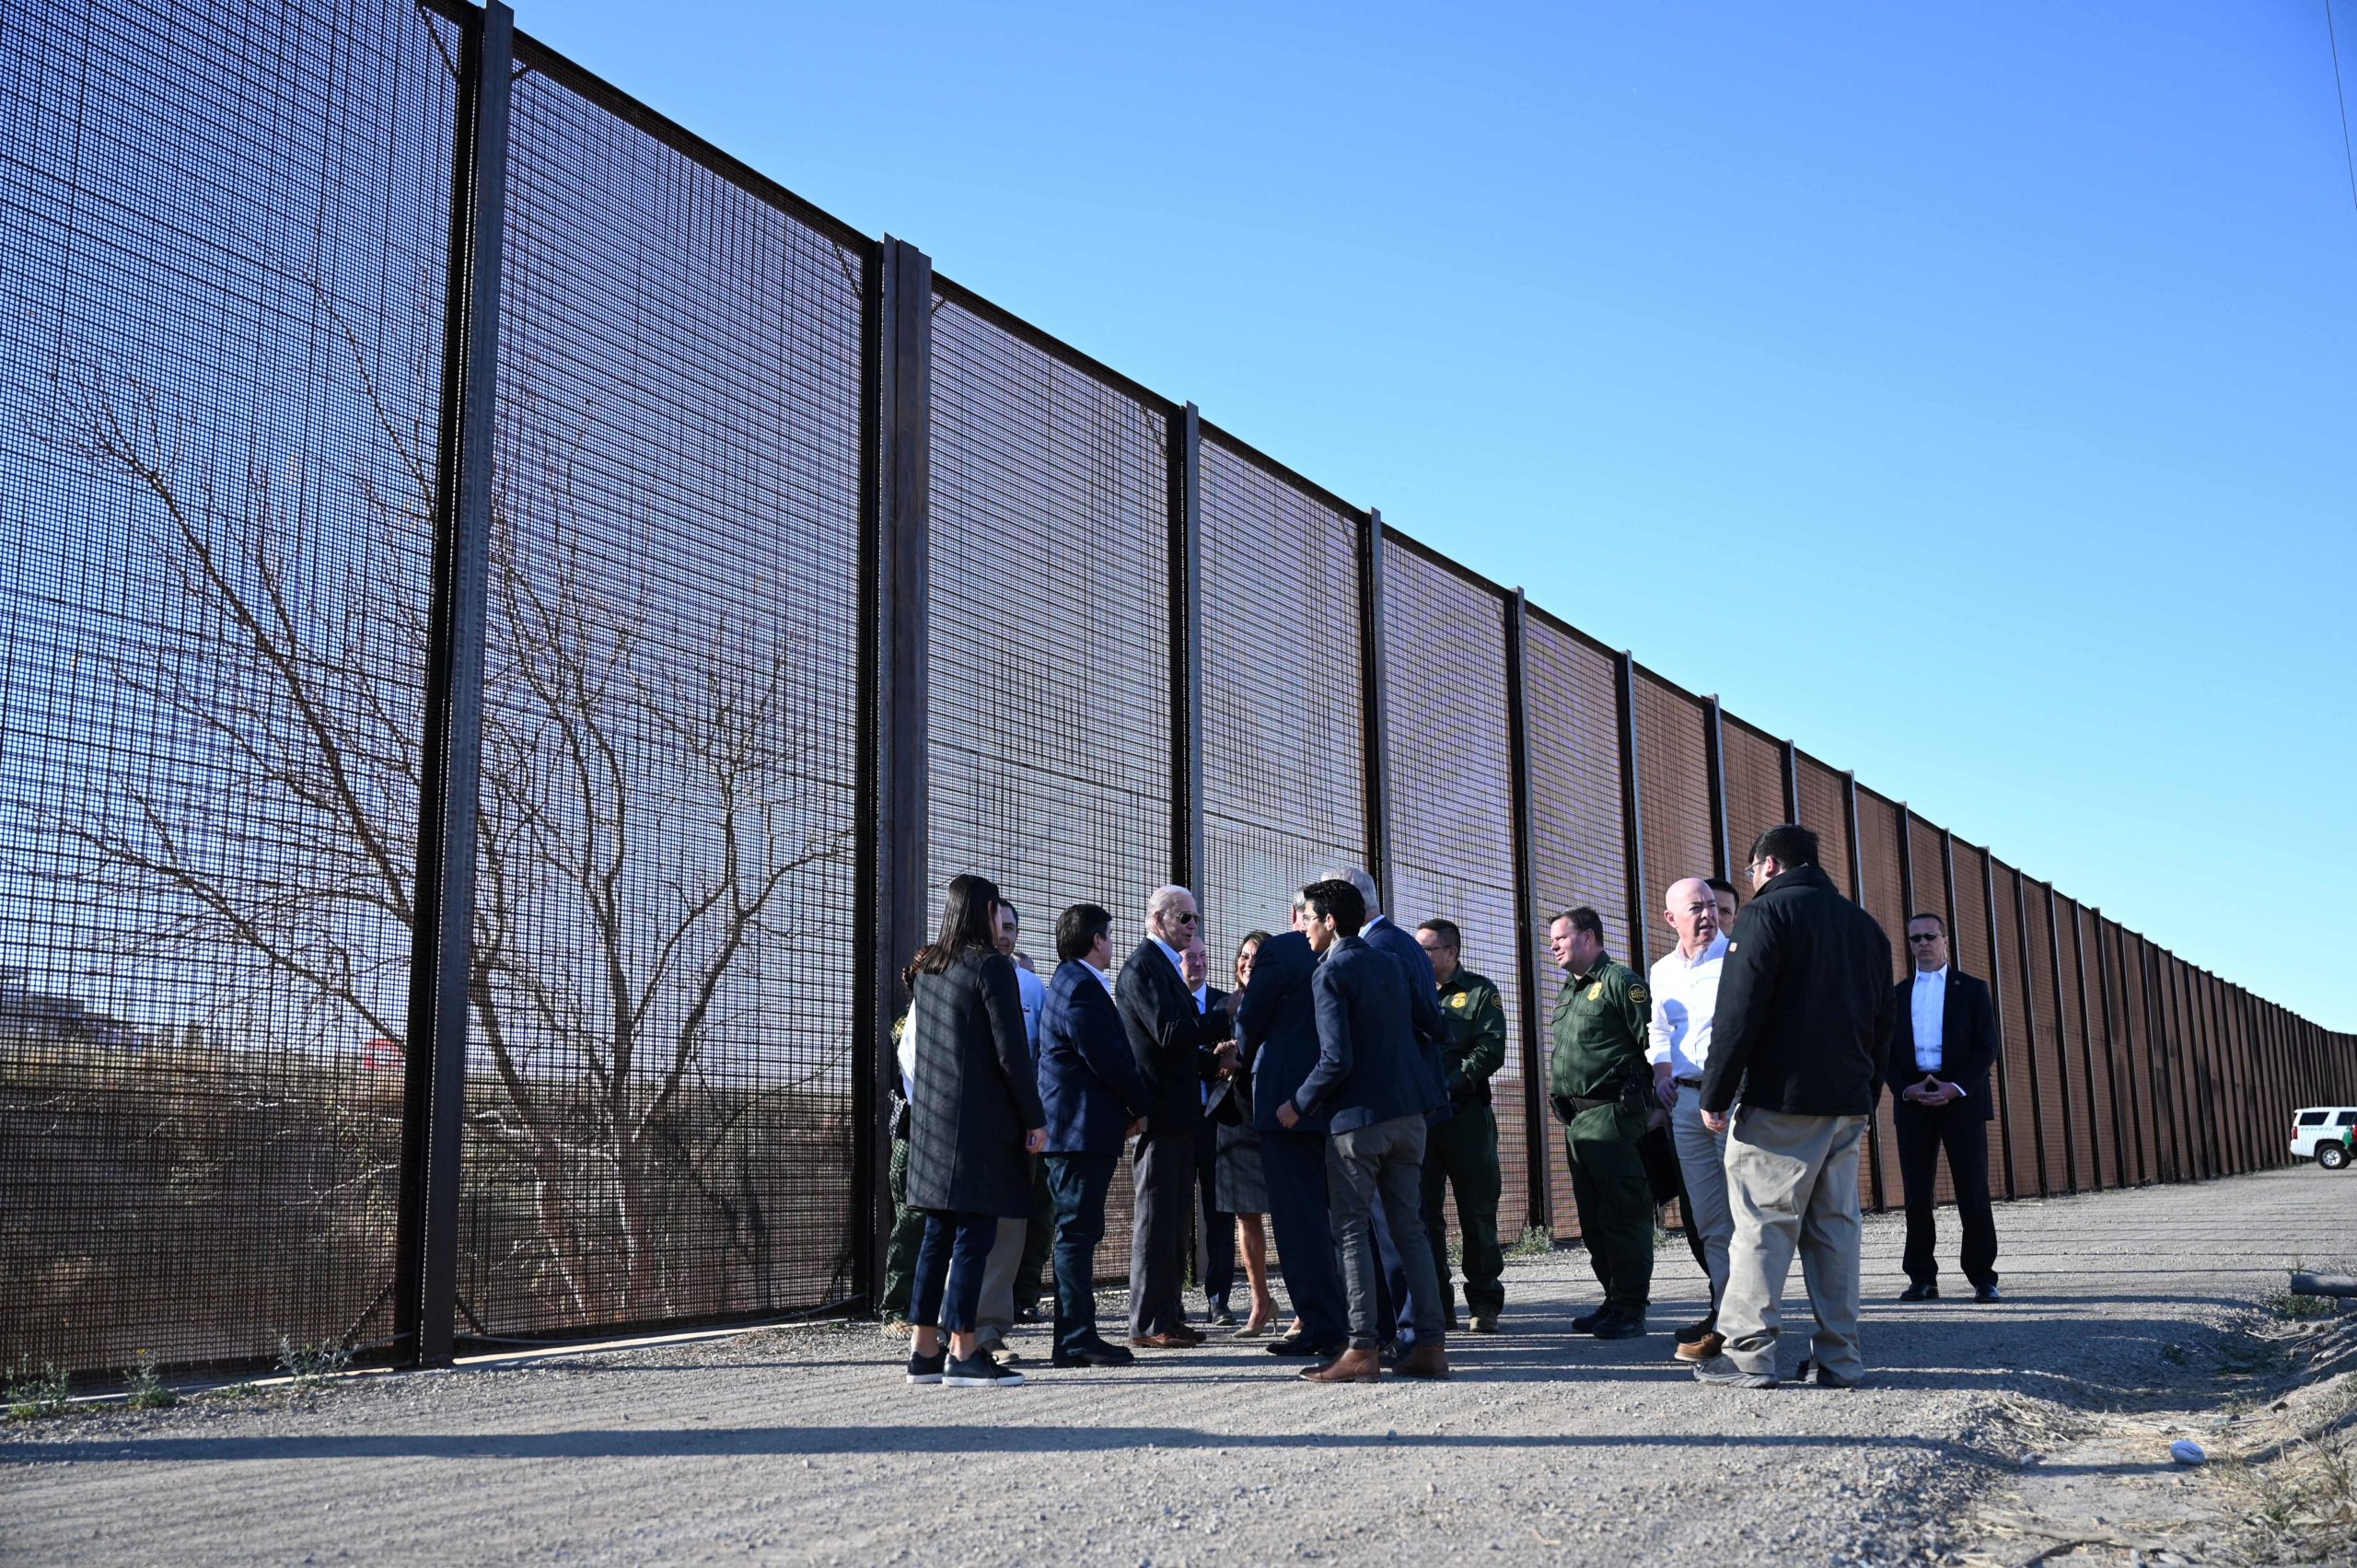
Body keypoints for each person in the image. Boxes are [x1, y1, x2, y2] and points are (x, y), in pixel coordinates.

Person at [1693, 825, 1895, 1391]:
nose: (1752, 882)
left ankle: (1748, 1357)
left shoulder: (1765, 915)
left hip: (1782, 1103)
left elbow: (1739, 1012)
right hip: (1846, 1104)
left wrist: (1715, 1093)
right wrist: (1867, 1092)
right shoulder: (1865, 926)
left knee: (1762, 1224)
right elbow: (1884, 1023)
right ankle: (1841, 1359)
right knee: (1834, 1233)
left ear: (1771, 865)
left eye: (1754, 871)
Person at [1279, 878, 1449, 1382]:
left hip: (1358, 1122)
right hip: (1410, 1118)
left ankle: (1361, 1350)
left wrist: (1296, 1105)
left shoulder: (1331, 971)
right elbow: (1433, 1026)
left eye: (1308, 918)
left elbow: (1335, 1059)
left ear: (1330, 922)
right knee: (1410, 1229)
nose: (1303, 927)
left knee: (1350, 1231)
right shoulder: (1393, 962)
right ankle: (1432, 1348)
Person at [904, 874, 1047, 1388]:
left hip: (933, 1123)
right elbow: (1011, 1053)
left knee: (937, 1232)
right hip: (981, 1126)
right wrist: (1034, 1118)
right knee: (974, 1233)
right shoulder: (991, 967)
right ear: (987, 913)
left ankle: (923, 1349)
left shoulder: (930, 970)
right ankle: (964, 1350)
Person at [1321, 865, 1446, 1359]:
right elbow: (1433, 1022)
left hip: (1377, 1106)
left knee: (1389, 1227)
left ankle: (1407, 1333)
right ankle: (1421, 1334)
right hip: (1409, 1100)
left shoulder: (1374, 951)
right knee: (1406, 1224)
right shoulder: (1404, 944)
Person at [1117, 884, 1237, 1348]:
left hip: (1181, 1115)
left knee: (1172, 1221)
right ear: (1157, 920)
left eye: (1195, 918)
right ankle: (1149, 1322)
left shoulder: (1164, 968)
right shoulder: (1144, 967)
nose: (1191, 925)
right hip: (1160, 1117)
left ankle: (1167, 1315)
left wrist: (1213, 1061)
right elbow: (1167, 1034)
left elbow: (1178, 1048)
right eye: (1183, 917)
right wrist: (1223, 1014)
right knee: (1156, 1220)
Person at [1035, 903, 1153, 1367]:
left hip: (1076, 1130)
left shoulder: (1069, 982)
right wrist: (1141, 1108)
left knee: (1077, 1233)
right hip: (1078, 1133)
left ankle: (1074, 1336)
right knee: (1077, 1234)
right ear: (1097, 940)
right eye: (1108, 936)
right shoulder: (1082, 989)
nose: (1111, 944)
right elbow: (1107, 1059)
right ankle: (1076, 1338)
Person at [1237, 896, 1351, 1358]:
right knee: (1344, 1218)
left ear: (1297, 915)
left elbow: (1250, 1022)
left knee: (1298, 1220)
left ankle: (1320, 1324)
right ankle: (1357, 1318)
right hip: (1339, 1102)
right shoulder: (1355, 948)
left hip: (1286, 1103)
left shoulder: (1280, 950)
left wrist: (1238, 1053)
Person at [1545, 906, 1655, 1339]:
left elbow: (1653, 1045)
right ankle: (1612, 1299)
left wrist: (1652, 1109)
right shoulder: (1570, 992)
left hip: (1615, 1117)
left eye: (1561, 937)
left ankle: (1631, 1307)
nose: (1553, 946)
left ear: (1589, 937)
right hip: (1579, 1123)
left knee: (1624, 1216)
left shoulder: (1620, 983)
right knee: (1593, 1220)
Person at [1887, 912, 2003, 1303]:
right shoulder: (1897, 995)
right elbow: (1883, 1051)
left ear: (1945, 940)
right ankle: (1922, 1278)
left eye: (1929, 936)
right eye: (1915, 938)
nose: (1922, 944)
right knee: (1917, 1193)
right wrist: (1908, 1089)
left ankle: (1983, 1277)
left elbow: (1987, 1046)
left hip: (1961, 1100)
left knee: (1972, 1188)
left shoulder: (1971, 989)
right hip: (1915, 1101)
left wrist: (1955, 1087)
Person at [1647, 877, 1734, 1364]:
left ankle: (1749, 1322)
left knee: (1747, 1214)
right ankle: (1726, 1316)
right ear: (1671, 919)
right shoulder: (1662, 971)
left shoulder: (1738, 959)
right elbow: (1659, 1029)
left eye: (1711, 907)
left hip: (1734, 1102)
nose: (1706, 915)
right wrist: (1662, 1071)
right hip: (1685, 1103)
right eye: (1695, 908)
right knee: (1708, 1220)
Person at [1414, 918, 1506, 1335]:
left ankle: (1484, 1303)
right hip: (1422, 1120)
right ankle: (1438, 1304)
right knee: (1422, 1214)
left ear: (1451, 953)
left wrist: (1448, 1084)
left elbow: (1490, 1049)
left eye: (1427, 949)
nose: (1420, 955)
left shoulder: (1480, 993)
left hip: (1466, 1116)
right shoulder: (1410, 992)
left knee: (1477, 1210)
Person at [974, 902, 1052, 1360]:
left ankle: (990, 1323)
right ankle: (943, 1325)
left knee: (1010, 1226)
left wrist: (1034, 1116)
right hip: (962, 1124)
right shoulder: (945, 974)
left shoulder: (1028, 985)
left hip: (1015, 1124)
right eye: (998, 925)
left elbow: (1037, 1054)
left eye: (1011, 928)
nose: (1004, 934)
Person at [1218, 932, 1281, 1336]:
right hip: (1233, 1117)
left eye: (1256, 958)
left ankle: (1306, 1310)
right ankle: (1261, 1304)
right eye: (1243, 956)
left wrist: (1245, 1058)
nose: (1247, 964)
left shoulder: (1284, 1002)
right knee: (1246, 1216)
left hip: (1275, 1114)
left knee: (1290, 1215)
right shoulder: (1223, 1004)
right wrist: (1219, 1058)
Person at [1185, 936, 1241, 1327]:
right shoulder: (1167, 1006)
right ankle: (1169, 1300)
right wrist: (1209, 1061)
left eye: (1204, 956)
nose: (1199, 963)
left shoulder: (1227, 1005)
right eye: (1191, 956)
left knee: (1221, 1213)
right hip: (1180, 1122)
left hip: (1222, 1121)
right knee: (1171, 1212)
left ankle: (1219, 1299)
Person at [880, 947, 934, 1332]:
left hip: (939, 1133)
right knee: (911, 1217)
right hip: (911, 1132)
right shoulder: (906, 1022)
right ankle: (896, 1308)